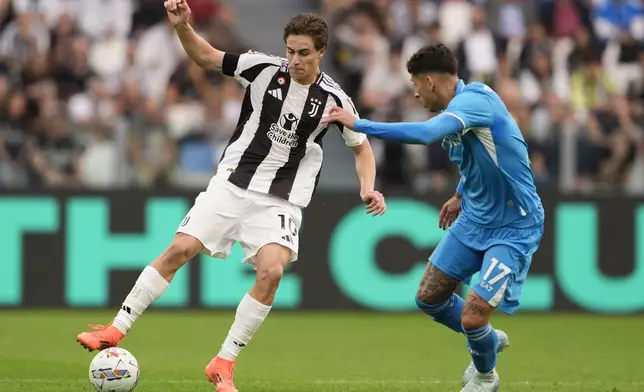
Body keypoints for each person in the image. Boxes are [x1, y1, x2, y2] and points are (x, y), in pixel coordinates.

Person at [76, 2, 387, 392]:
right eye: (290, 50)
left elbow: (362, 148)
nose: (293, 59)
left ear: (321, 52)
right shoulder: (262, 68)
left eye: (303, 53)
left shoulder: (335, 99)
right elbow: (206, 56)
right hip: (231, 185)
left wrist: (367, 187)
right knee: (179, 250)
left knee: (272, 272)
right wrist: (183, 27)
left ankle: (224, 361)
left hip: (280, 199)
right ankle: (115, 329)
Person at [323, 43, 544, 392]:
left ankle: (486, 377)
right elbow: (481, 159)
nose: (413, 92)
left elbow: (425, 135)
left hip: (513, 226)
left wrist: (360, 124)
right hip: (474, 218)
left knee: (472, 316)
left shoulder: (474, 101)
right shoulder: (459, 114)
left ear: (429, 81)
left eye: (414, 84)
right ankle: (486, 339)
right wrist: (459, 195)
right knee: (428, 298)